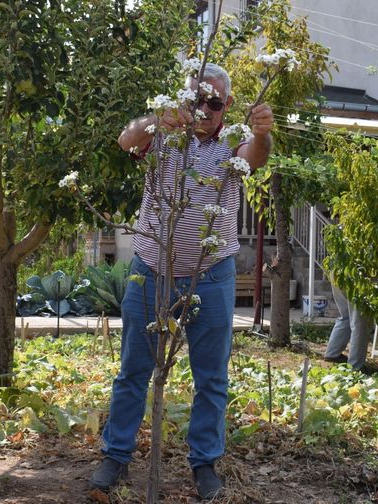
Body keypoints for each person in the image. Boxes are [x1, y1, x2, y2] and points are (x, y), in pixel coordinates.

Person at [90, 63, 273, 500]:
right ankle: (116, 456)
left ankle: (205, 463)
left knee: (211, 376)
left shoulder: (234, 144)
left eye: (214, 102)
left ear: (228, 106)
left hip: (212, 277)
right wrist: (158, 118)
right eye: (198, 100)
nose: (205, 110)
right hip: (152, 270)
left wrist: (263, 134)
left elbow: (256, 156)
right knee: (133, 370)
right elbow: (125, 139)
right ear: (185, 99)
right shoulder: (164, 138)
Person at [323, 282, 373, 370]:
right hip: (358, 277)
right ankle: (355, 365)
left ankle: (332, 353)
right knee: (360, 322)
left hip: (337, 273)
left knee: (346, 316)